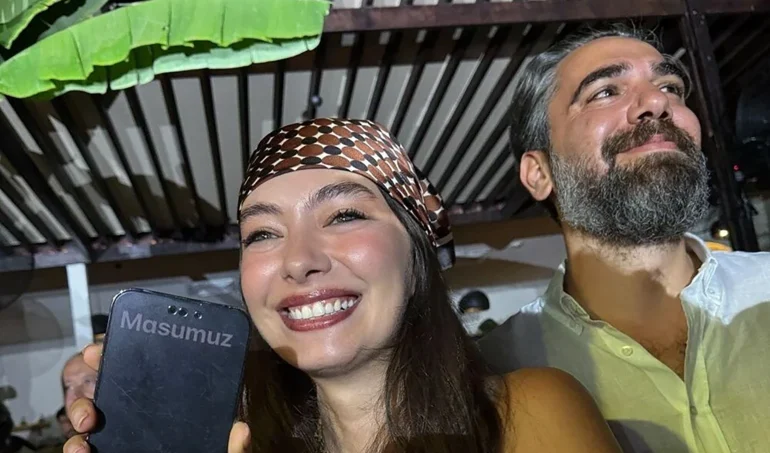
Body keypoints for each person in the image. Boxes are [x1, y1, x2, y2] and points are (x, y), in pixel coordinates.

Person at [64, 118, 621, 452]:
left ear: (418, 251)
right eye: (262, 233)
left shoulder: (530, 413)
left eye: (344, 216)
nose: (298, 261)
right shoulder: (235, 442)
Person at [478, 24, 770, 452]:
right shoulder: (496, 374)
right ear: (539, 173)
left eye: (670, 87)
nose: (657, 102)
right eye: (605, 92)